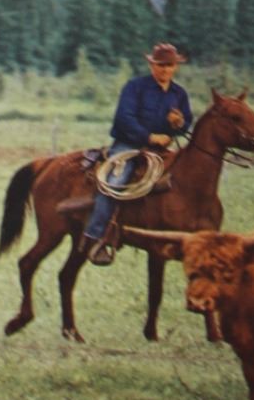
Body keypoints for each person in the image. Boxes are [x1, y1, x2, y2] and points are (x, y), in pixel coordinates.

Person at [82, 43, 193, 264]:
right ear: (152, 65)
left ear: (175, 67)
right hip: (128, 146)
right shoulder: (135, 87)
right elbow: (124, 118)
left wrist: (179, 124)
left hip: (161, 150)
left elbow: (186, 122)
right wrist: (149, 137)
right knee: (114, 183)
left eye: (169, 65)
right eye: (160, 65)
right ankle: (95, 237)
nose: (165, 69)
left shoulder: (179, 94)